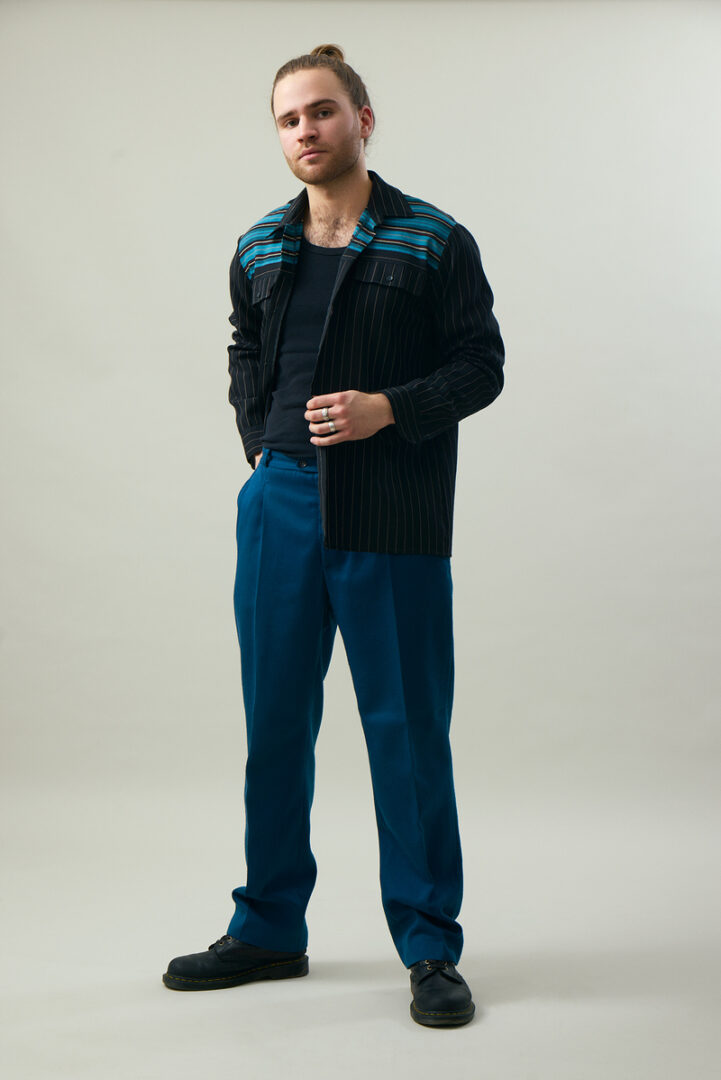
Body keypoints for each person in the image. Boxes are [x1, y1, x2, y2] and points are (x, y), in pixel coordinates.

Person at [163, 43, 504, 1029]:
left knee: (406, 732)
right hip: (278, 506)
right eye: (288, 118)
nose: (304, 130)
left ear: (362, 119)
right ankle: (269, 926)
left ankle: (430, 948)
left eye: (320, 111)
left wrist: (387, 410)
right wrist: (259, 446)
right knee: (274, 724)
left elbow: (481, 364)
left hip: (387, 510)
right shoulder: (259, 247)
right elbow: (245, 350)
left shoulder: (432, 240)